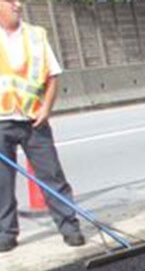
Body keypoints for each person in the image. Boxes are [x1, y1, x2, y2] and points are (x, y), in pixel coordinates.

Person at [0, 0, 84, 253]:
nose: (18, 5)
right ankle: (6, 233)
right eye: (11, 1)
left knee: (51, 174)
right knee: (1, 182)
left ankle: (70, 226)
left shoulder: (36, 36)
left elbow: (52, 75)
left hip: (34, 118)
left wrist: (47, 108)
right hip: (1, 120)